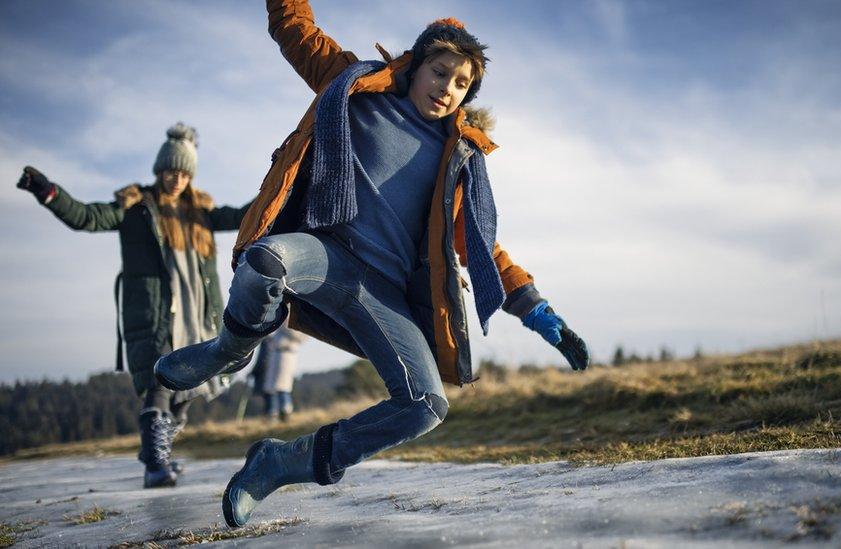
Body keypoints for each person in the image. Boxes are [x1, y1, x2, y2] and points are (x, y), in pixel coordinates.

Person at [154, 0, 589, 527]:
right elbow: (294, 29)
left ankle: (281, 462)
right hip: (325, 257)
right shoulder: (354, 85)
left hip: (383, 296)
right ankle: (228, 349)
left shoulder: (457, 160)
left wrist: (540, 314)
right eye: (440, 71)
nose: (447, 87)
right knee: (265, 260)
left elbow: (482, 249)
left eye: (461, 83)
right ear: (417, 64)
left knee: (425, 405)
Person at [16, 123, 252, 488]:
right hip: (156, 314)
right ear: (159, 170)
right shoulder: (136, 208)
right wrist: (48, 192)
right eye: (170, 171)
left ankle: (159, 452)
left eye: (184, 173)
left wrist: (289, 182)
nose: (176, 179)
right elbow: (87, 217)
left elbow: (246, 216)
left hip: (197, 318)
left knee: (188, 392)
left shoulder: (200, 213)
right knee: (159, 385)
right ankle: (154, 464)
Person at [251, 323, 306, 421]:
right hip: (275, 352)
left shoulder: (295, 321)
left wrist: (283, 324)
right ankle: (272, 413)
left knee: (282, 385)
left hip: (286, 353)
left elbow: (300, 337)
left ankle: (285, 411)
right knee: (270, 385)